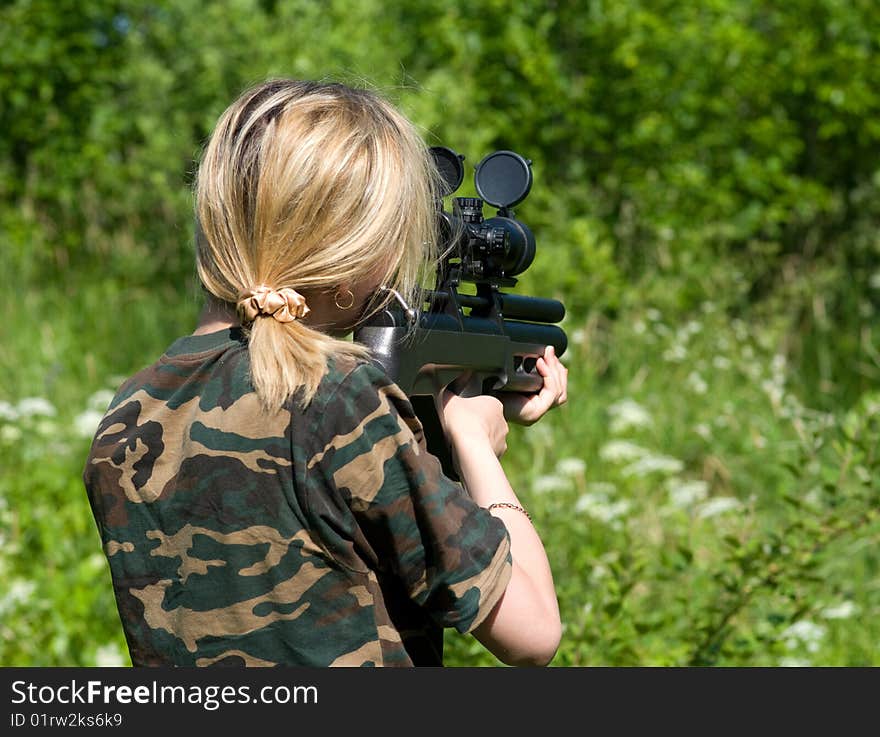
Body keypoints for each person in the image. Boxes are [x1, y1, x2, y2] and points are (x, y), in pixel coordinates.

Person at [83, 79, 567, 667]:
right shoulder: (341, 401)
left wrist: (422, 421)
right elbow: (534, 633)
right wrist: (474, 442)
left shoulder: (129, 411)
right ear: (352, 258)